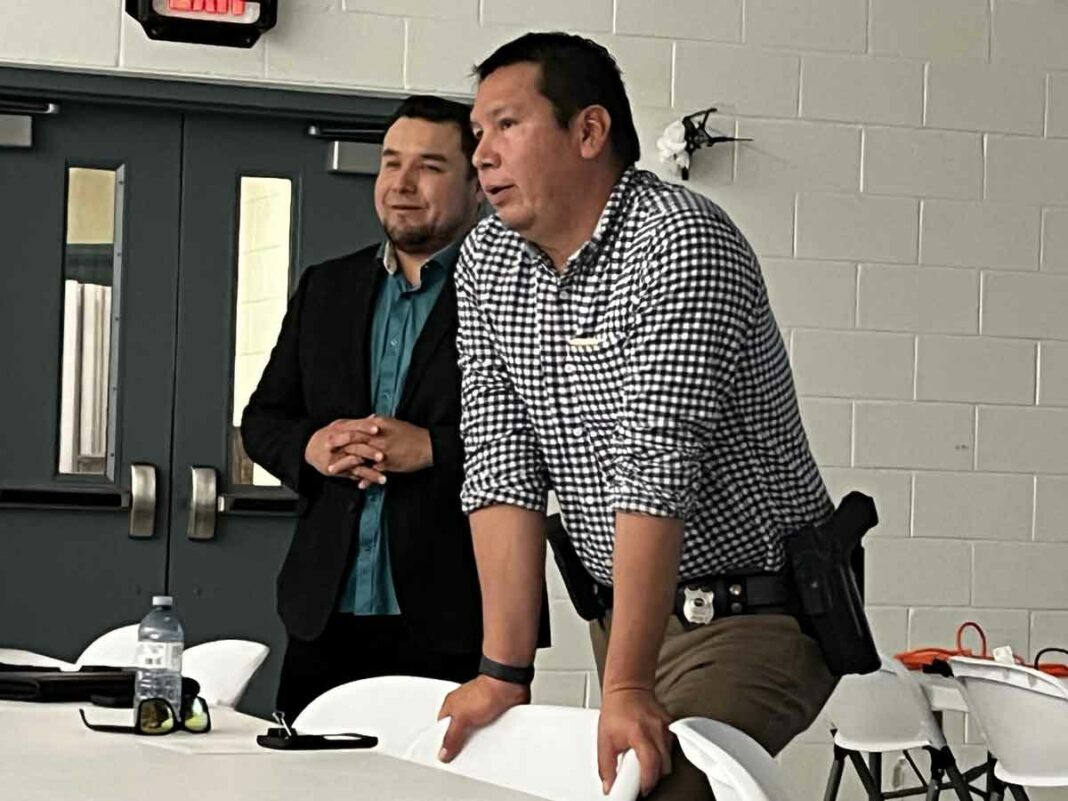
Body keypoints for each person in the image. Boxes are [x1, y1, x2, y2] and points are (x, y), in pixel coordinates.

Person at [438, 33, 838, 800]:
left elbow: (656, 467)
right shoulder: (488, 261)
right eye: (477, 132)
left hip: (757, 613)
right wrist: (502, 671)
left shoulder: (681, 240)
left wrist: (623, 687)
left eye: (507, 125)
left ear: (589, 132)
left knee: (658, 788)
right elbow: (499, 462)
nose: (481, 153)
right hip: (629, 614)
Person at [241, 95, 487, 719]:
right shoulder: (327, 287)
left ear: (478, 183)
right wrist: (310, 447)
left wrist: (431, 448)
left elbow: (558, 436)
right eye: (389, 163)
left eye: (429, 167)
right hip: (323, 612)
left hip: (456, 616)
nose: (401, 185)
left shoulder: (519, 291)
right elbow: (263, 420)